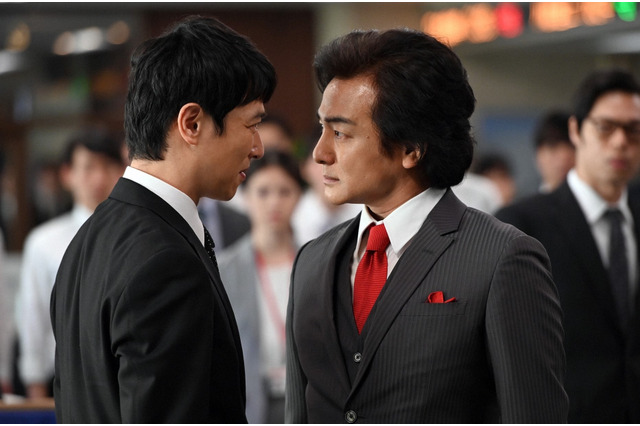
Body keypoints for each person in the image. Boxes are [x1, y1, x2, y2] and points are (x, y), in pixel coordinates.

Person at [285, 28, 568, 423]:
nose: (319, 153)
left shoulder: (502, 259)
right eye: (322, 129)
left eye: (340, 133)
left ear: (411, 149)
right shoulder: (311, 261)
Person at [50, 16, 276, 423]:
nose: (258, 147)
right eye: (252, 124)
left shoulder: (88, 238)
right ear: (192, 123)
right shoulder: (166, 261)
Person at [496, 68, 640, 423]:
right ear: (576, 130)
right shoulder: (522, 226)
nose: (620, 142)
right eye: (605, 127)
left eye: (633, 129)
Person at [16, 127, 126, 400]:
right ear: (67, 175)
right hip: (63, 377)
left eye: (107, 166)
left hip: (124, 374)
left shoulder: (133, 236)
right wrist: (35, 385)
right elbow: (33, 317)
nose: (99, 177)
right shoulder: (43, 242)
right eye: (89, 167)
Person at [219, 149, 305, 424]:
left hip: (305, 398)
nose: (274, 202)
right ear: (245, 196)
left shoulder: (317, 262)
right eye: (263, 192)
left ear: (299, 196)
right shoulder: (224, 269)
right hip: (248, 402)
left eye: (284, 191)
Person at [292, 125, 361, 245]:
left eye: (338, 158)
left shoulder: (367, 212)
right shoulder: (293, 216)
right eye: (322, 161)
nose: (331, 168)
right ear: (304, 168)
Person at [533, 110, 575, 193]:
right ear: (538, 155)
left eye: (572, 147)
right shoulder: (524, 201)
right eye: (553, 147)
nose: (563, 157)